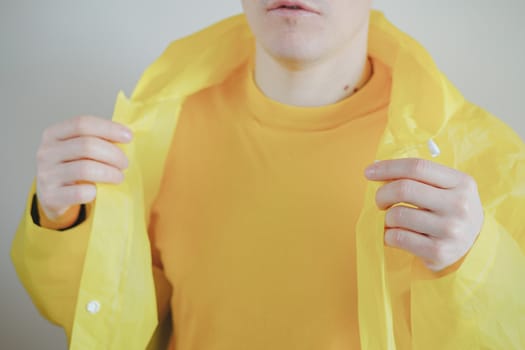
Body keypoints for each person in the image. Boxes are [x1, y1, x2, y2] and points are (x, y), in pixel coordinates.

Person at [10, 1, 525, 349]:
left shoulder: (479, 159)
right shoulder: (152, 129)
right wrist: (63, 222)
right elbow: (112, 322)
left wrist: (477, 263)